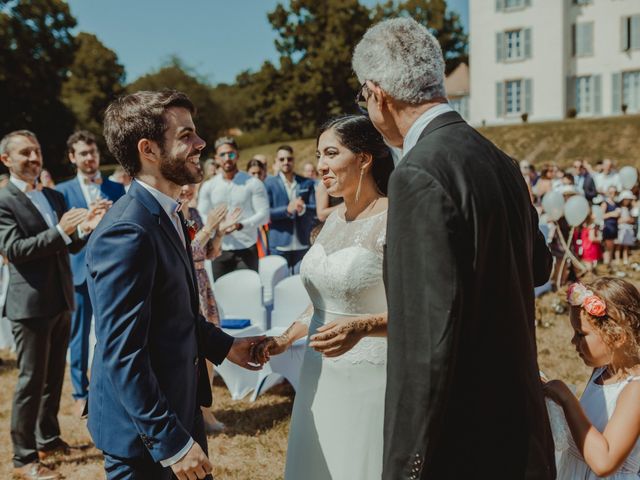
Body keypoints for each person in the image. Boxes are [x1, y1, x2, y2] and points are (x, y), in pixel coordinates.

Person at [352, 18, 556, 478]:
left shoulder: (418, 173)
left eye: (363, 98)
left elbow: (424, 340)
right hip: (520, 423)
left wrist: (407, 465)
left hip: (463, 439)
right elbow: (540, 265)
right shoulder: (498, 158)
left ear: (377, 92)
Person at [87, 90, 263, 480]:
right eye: (186, 135)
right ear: (148, 149)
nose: (201, 144)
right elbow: (123, 352)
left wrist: (225, 346)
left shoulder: (166, 213)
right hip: (144, 435)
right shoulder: (128, 230)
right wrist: (171, 442)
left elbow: (175, 313)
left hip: (176, 408)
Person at [252, 115, 394, 479]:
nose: (321, 165)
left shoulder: (393, 220)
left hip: (371, 375)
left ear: (364, 159)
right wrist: (287, 338)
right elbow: (322, 301)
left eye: (331, 153)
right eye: (319, 155)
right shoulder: (332, 221)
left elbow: (417, 309)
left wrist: (362, 327)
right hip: (318, 373)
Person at [0, 129, 106, 480]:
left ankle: (48, 438)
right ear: (6, 160)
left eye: (37, 150)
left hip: (61, 297)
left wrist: (84, 229)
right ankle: (24, 458)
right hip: (29, 304)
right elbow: (15, 250)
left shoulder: (52, 196)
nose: (34, 158)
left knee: (53, 379)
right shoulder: (3, 201)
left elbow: (68, 246)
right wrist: (62, 231)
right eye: (25, 153)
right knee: (31, 381)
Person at [56, 130, 125, 416]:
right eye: (83, 153)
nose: (89, 158)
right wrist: (87, 220)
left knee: (114, 330)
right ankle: (79, 392)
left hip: (111, 271)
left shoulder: (117, 189)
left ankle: (114, 385)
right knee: (79, 334)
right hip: (78, 271)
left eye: (92, 152)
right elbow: (63, 235)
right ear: (73, 157)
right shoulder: (62, 192)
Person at [544, 278, 640, 479]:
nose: (573, 341)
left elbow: (604, 462)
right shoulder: (601, 372)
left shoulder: (635, 390)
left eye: (581, 334)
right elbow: (587, 431)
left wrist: (567, 399)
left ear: (616, 335)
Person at [179, 184, 241, 434]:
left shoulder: (193, 213)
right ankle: (193, 411)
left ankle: (205, 410)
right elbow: (186, 252)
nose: (187, 188)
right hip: (186, 287)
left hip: (202, 284)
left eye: (192, 184)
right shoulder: (172, 213)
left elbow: (209, 253)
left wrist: (220, 233)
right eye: (183, 183)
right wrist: (209, 227)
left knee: (208, 353)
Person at [197, 137, 269, 280]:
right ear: (216, 158)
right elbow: (201, 214)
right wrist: (218, 226)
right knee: (223, 298)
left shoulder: (253, 183)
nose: (227, 158)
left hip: (247, 248)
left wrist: (240, 225)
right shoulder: (209, 186)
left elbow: (264, 214)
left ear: (237, 155)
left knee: (248, 294)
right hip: (219, 249)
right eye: (222, 155)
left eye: (231, 154)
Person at [264, 145, 316, 273]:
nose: (286, 162)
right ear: (276, 161)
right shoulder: (269, 183)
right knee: (280, 285)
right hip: (279, 244)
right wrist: (287, 210)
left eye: (289, 159)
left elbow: (315, 209)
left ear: (293, 160)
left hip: (302, 242)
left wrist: (303, 208)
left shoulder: (306, 182)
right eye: (282, 159)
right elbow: (265, 213)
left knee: (300, 283)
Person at [602, 186, 621, 269]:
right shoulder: (605, 203)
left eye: (614, 192)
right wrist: (612, 214)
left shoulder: (616, 204)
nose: (613, 194)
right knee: (608, 247)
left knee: (612, 247)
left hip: (614, 227)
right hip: (608, 227)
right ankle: (606, 264)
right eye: (611, 192)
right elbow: (601, 216)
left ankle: (609, 264)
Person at [616, 190, 636, 266]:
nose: (627, 201)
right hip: (621, 229)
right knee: (618, 245)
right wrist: (625, 220)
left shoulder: (630, 209)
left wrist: (629, 220)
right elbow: (617, 220)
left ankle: (625, 259)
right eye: (626, 199)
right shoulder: (619, 209)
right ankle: (618, 259)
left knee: (626, 246)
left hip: (628, 229)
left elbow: (633, 220)